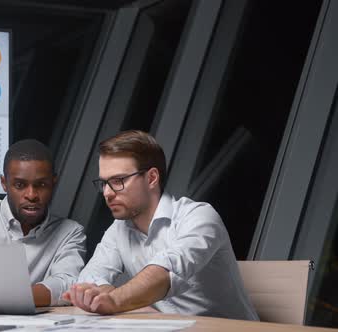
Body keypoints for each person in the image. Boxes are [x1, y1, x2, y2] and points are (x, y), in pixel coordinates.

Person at [62, 130, 258, 320]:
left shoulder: (198, 216)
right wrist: (102, 294)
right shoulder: (119, 229)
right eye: (104, 183)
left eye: (118, 181)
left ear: (152, 178)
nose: (107, 193)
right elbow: (87, 280)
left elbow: (166, 271)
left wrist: (114, 298)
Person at [0, 139, 86, 306]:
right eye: (20, 185)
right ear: (4, 183)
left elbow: (68, 285)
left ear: (53, 183)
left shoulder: (70, 232)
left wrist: (2, 298)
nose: (31, 195)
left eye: (41, 184)